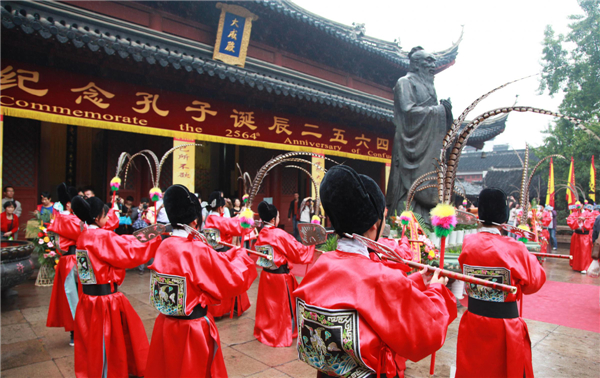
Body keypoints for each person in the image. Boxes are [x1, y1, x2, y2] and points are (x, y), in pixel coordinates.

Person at [294, 165, 457, 377]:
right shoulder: (378, 275)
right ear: (374, 224)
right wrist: (435, 289)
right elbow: (427, 328)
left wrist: (419, 280)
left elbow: (376, 295)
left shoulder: (324, 263)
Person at [145, 185, 256, 377]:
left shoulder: (164, 246)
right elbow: (230, 278)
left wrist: (231, 254)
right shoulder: (196, 250)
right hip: (192, 329)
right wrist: (242, 257)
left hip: (166, 324)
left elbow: (212, 260)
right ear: (195, 219)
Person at [456, 188, 546, 378]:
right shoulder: (516, 248)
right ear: (504, 217)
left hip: (474, 322)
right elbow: (534, 283)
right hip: (504, 327)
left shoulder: (468, 242)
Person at [71, 196, 161, 377]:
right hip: (104, 301)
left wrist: (152, 230)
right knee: (109, 343)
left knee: (92, 342)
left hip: (88, 298)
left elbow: (125, 241)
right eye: (105, 214)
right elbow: (129, 251)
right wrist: (156, 234)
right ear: (98, 217)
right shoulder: (101, 236)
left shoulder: (83, 236)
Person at [386, 46, 453, 221]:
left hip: (427, 146)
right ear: (416, 64)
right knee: (406, 195)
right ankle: (403, 224)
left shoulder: (429, 86)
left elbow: (427, 111)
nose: (433, 65)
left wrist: (444, 111)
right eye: (428, 61)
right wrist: (439, 110)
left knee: (430, 178)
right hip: (410, 145)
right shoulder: (405, 82)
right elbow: (408, 112)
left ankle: (426, 221)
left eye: (433, 60)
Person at [254, 201, 315, 347]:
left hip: (266, 276)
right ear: (274, 219)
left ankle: (265, 330)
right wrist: (311, 244)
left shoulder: (262, 233)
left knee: (268, 309)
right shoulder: (279, 234)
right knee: (282, 309)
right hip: (280, 278)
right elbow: (298, 251)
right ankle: (279, 334)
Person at [46, 183, 93, 346]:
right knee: (76, 298)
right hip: (74, 260)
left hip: (68, 260)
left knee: (72, 298)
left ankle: (77, 331)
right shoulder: (69, 219)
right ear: (68, 204)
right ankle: (77, 332)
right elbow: (85, 234)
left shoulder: (59, 218)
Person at [204, 191, 253, 318]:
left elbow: (229, 223)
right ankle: (223, 309)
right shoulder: (218, 220)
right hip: (222, 255)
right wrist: (245, 217)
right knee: (229, 280)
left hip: (211, 255)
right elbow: (236, 226)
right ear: (220, 207)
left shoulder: (209, 219)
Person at [567, 202, 594, 273]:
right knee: (576, 251)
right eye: (577, 205)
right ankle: (576, 266)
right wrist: (577, 220)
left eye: (580, 205)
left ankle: (584, 267)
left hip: (584, 235)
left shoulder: (588, 213)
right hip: (576, 234)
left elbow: (591, 222)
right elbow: (569, 221)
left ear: (583, 205)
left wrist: (584, 220)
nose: (578, 206)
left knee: (584, 252)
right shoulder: (574, 213)